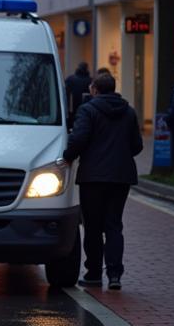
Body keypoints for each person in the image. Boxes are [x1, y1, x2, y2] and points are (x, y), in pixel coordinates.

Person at [59, 71, 143, 290]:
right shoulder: (129, 112)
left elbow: (79, 139)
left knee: (93, 227)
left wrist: (67, 157)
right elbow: (137, 146)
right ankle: (115, 275)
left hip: (93, 178)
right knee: (114, 225)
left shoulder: (87, 110)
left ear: (94, 89)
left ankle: (94, 273)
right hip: (121, 177)